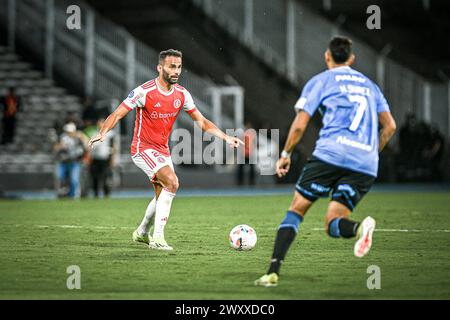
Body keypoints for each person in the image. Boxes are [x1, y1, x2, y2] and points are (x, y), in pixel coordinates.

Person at [255, 36, 397, 287]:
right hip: (365, 163)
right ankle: (359, 228)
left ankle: (272, 272)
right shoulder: (370, 85)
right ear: (351, 59)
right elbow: (390, 127)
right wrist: (371, 153)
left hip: (331, 154)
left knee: (296, 211)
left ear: (327, 56)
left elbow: (300, 125)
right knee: (332, 223)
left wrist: (286, 154)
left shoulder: (321, 81)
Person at [88, 49, 243, 250]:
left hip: (162, 150)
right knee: (172, 182)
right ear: (160, 68)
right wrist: (103, 132)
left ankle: (142, 232)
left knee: (162, 193)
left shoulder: (182, 94)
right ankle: (158, 238)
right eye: (172, 66)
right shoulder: (144, 91)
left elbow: (202, 122)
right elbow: (117, 114)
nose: (176, 71)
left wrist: (225, 136)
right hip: (142, 149)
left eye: (179, 67)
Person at [54, 122, 89, 198]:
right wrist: (60, 146)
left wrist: (82, 136)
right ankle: (61, 194)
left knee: (74, 180)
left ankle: (73, 196)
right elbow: (55, 148)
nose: (69, 133)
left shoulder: (79, 138)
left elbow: (87, 145)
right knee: (60, 178)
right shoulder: (62, 137)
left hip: (74, 162)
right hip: (63, 162)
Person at [89, 118, 116, 198]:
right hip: (95, 158)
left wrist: (113, 159)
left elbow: (114, 147)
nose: (100, 124)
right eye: (99, 123)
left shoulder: (110, 134)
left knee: (106, 177)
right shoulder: (94, 133)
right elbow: (90, 147)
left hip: (105, 158)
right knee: (95, 177)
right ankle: (96, 194)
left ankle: (106, 194)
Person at [237, 121, 257, 185]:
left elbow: (254, 142)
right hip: (244, 153)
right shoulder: (243, 133)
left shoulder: (253, 133)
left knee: (252, 169)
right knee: (241, 169)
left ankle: (252, 182)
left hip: (250, 153)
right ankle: (240, 182)